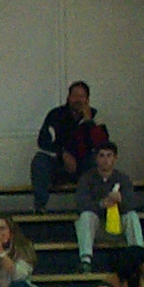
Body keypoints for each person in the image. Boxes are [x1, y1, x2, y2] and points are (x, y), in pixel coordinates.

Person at [31, 80, 107, 213]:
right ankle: (40, 206)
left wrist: (89, 122)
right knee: (39, 160)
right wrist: (62, 154)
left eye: (82, 96)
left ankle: (91, 206)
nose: (78, 100)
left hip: (84, 167)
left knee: (96, 160)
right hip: (59, 166)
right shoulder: (55, 115)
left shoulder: (96, 116)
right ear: (68, 98)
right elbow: (43, 141)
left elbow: (102, 144)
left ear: (88, 100)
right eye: (74, 96)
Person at [74, 141, 143, 273]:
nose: (106, 160)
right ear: (96, 158)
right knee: (85, 217)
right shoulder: (87, 178)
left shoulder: (123, 179)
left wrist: (120, 200)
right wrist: (101, 205)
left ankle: (138, 258)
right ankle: (86, 261)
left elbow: (133, 203)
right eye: (102, 156)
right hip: (97, 228)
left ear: (115, 158)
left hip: (118, 226)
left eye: (109, 155)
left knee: (132, 216)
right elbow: (80, 203)